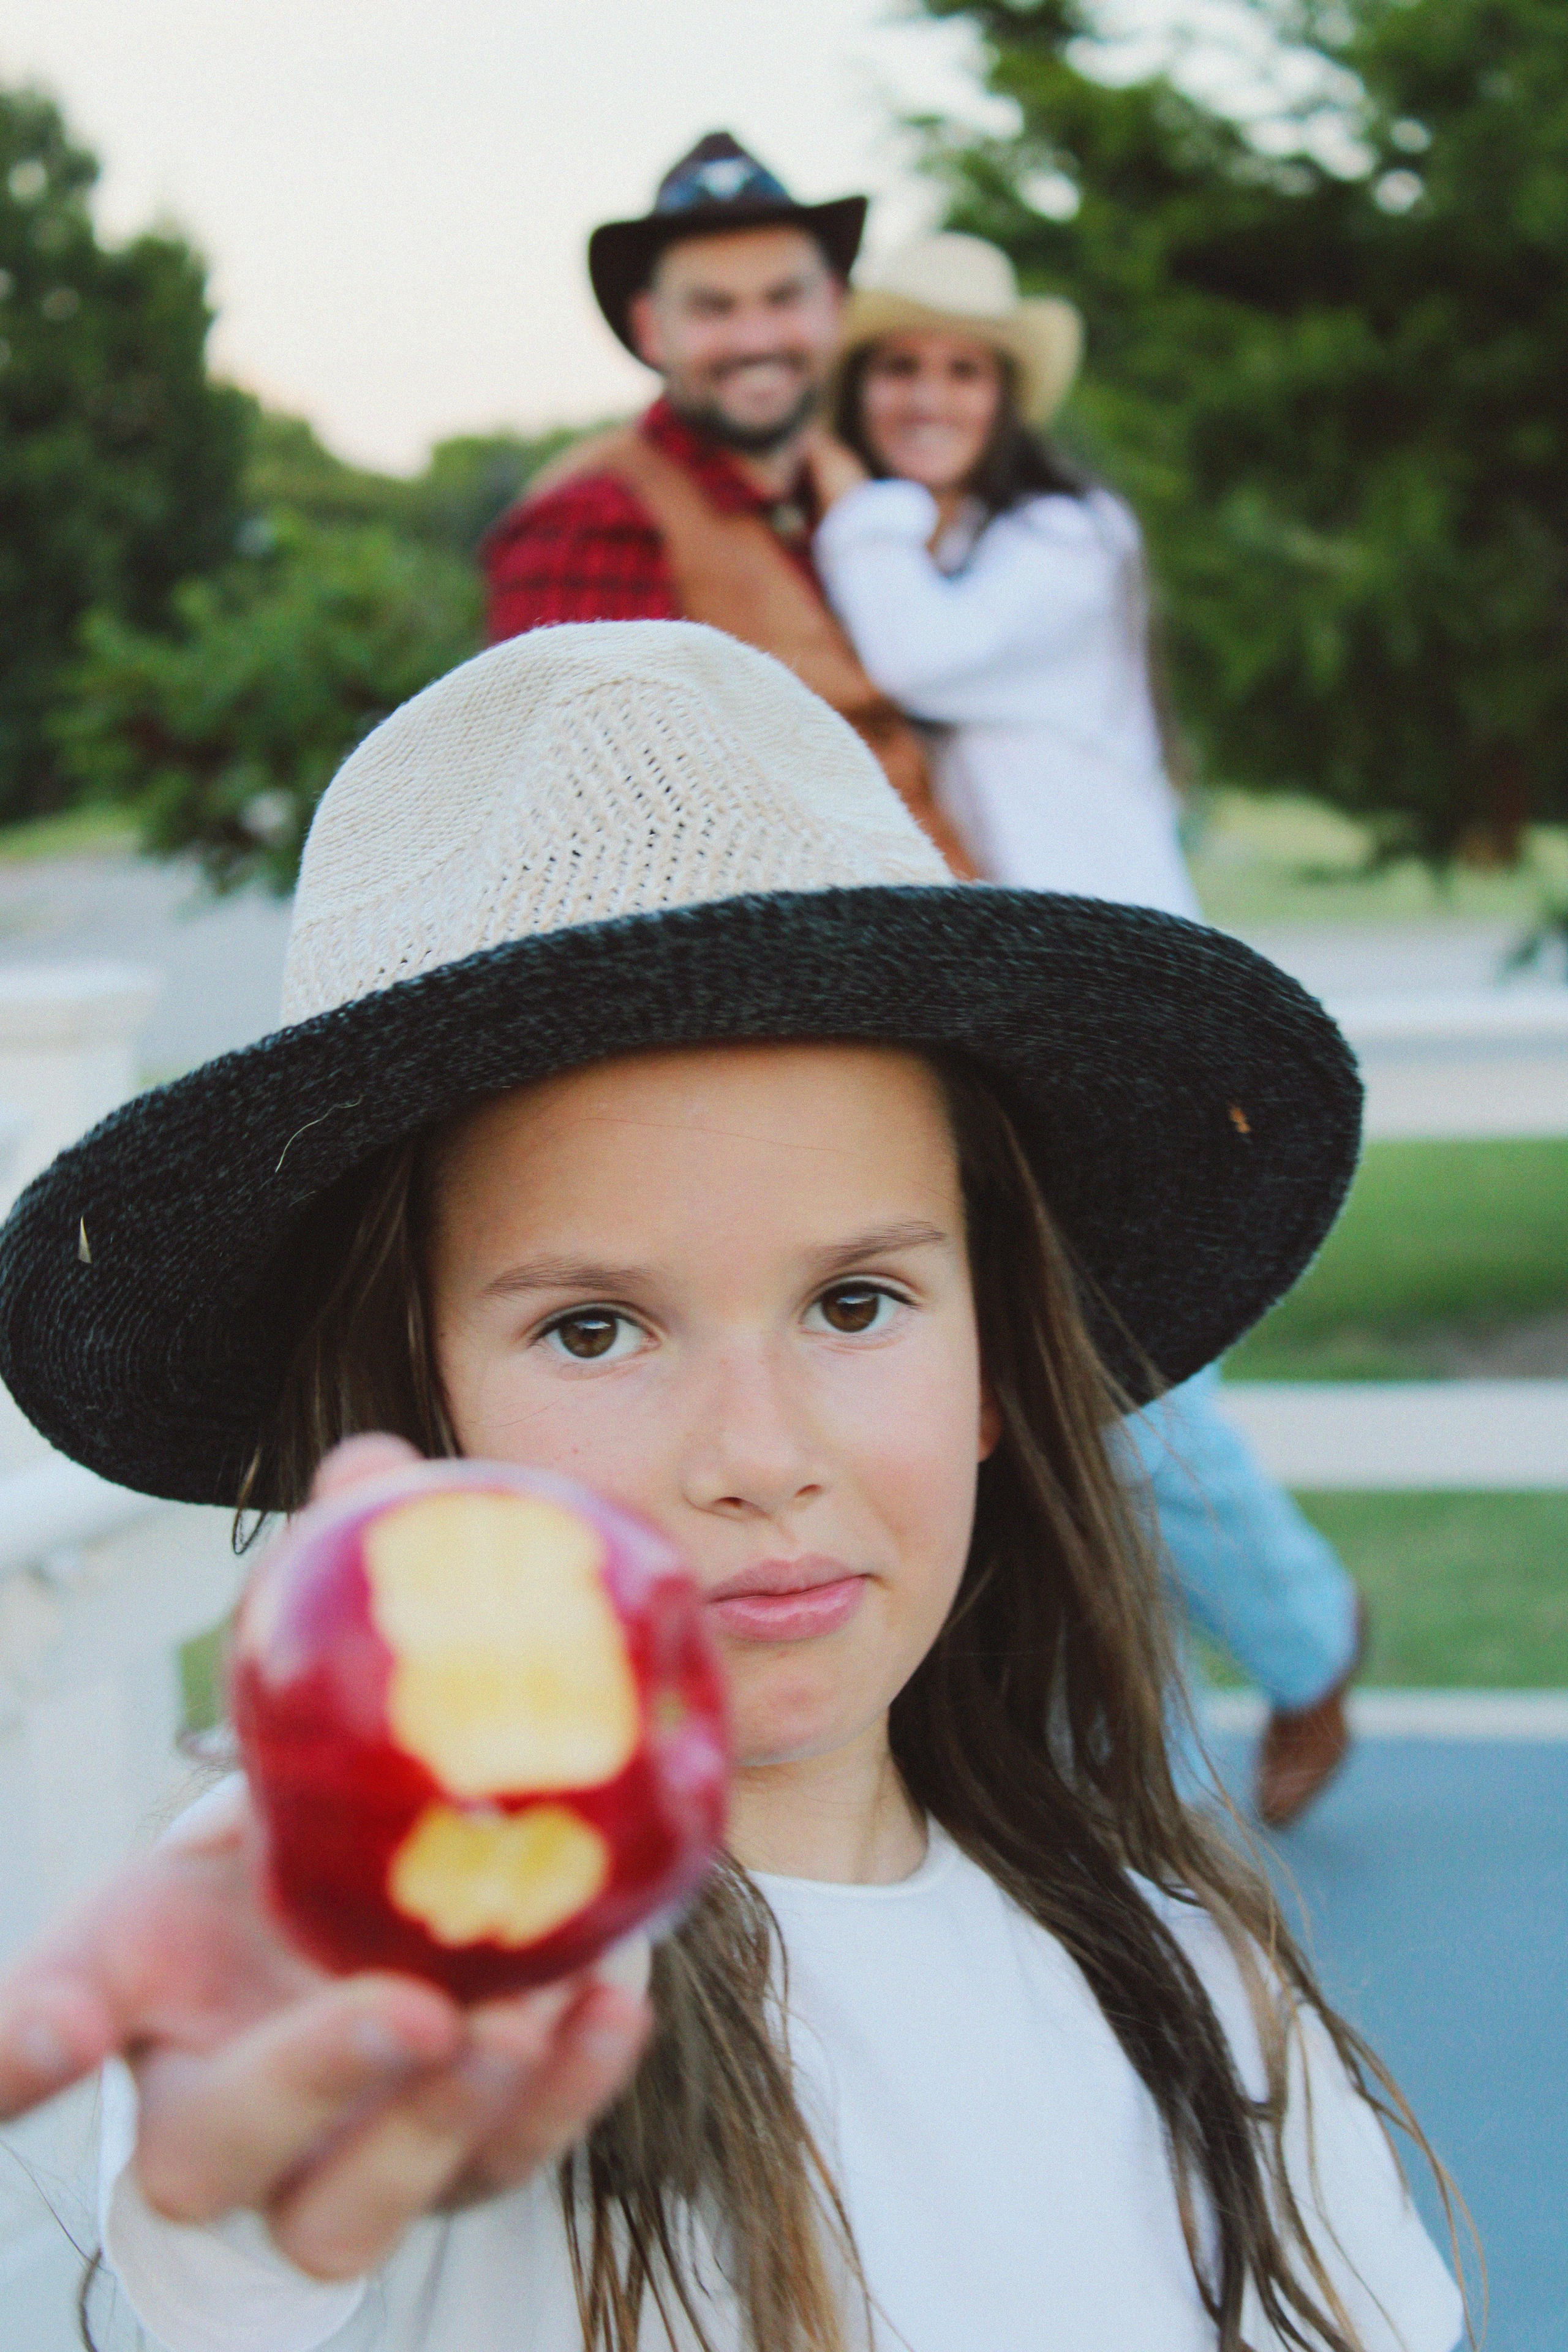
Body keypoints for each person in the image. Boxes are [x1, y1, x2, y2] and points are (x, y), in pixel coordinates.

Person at [0, 624, 1461, 2352]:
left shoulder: (1211, 2002)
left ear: (997, 1357)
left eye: (856, 1303)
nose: (759, 1455)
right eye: (597, 1327)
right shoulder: (432, 1994)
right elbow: (257, 2209)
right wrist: (272, 2124)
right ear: (419, 1400)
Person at [808, 233, 1366, 1828]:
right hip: (1011, 1005)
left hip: (1130, 1007)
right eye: (901, 367)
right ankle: (1117, 1723)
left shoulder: (1064, 534)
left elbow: (912, 652)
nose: (929, 396)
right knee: (1044, 1377)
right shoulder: (948, 537)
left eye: (960, 371)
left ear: (1006, 394)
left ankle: (1304, 1640)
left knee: (1125, 1378)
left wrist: (851, 491)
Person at [482, 130, 975, 875]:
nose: (756, 339)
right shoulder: (592, 516)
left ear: (834, 307)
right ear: (652, 329)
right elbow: (589, 842)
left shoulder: (863, 495)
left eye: (784, 299)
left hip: (965, 940)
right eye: (713, 308)